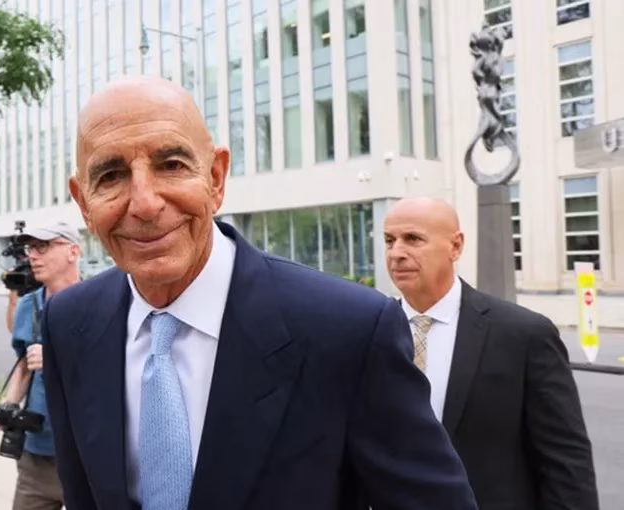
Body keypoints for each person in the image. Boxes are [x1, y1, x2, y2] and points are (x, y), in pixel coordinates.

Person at [41, 75, 477, 509]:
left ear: (216, 177)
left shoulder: (350, 329)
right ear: (83, 202)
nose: (145, 203)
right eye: (111, 176)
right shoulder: (69, 322)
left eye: (171, 165)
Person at [383, 196, 598, 510]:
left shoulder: (524, 334)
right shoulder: (369, 332)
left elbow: (566, 460)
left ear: (455, 246)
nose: (396, 253)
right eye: (389, 240)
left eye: (413, 239)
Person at [0, 220, 83, 510]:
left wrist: (56, 360)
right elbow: (24, 365)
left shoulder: (99, 303)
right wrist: (9, 406)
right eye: (30, 248)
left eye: (42, 247)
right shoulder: (27, 305)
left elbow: (113, 373)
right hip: (35, 456)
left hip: (85, 455)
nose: (32, 255)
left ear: (73, 251)